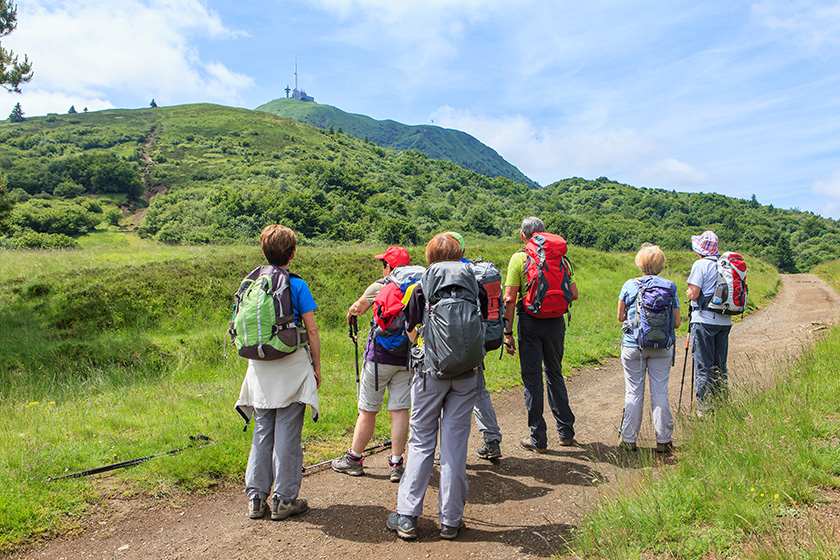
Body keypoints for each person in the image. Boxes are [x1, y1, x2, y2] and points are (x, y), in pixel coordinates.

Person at [386, 233, 487, 541]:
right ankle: (451, 521)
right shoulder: (475, 285)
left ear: (429, 257)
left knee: (420, 441)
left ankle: (407, 517)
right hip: (468, 374)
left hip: (431, 374)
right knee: (455, 446)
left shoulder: (421, 287)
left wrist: (426, 346)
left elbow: (410, 328)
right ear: (460, 255)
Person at [234, 224, 321, 521]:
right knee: (287, 431)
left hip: (258, 366)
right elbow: (311, 328)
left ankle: (256, 499)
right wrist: (317, 367)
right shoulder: (296, 285)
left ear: (263, 251)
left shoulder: (252, 282)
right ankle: (284, 499)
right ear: (292, 254)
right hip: (290, 364)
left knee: (262, 430)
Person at [332, 246, 413, 482]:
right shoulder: (417, 285)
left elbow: (358, 308)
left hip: (379, 357)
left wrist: (351, 314)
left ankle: (354, 459)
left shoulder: (380, 286)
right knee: (399, 410)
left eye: (383, 263)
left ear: (389, 266)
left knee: (368, 410)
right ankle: (396, 464)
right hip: (407, 357)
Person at [503, 216, 578, 452]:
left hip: (529, 322)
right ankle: (566, 431)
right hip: (555, 322)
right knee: (555, 373)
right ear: (545, 233)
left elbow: (508, 299)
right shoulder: (560, 259)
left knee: (532, 378)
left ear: (523, 236)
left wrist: (507, 333)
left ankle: (538, 438)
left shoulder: (519, 258)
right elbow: (573, 294)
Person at [445, 231, 503, 460]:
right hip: (478, 339)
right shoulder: (475, 271)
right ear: (464, 251)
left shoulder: (443, 274)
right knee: (478, 389)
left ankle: (443, 451)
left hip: (449, 344)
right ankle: (491, 440)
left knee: (442, 394)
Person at [617, 244, 680, 453]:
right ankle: (663, 440)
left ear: (640, 262)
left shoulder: (629, 285)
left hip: (633, 346)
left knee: (634, 391)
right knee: (660, 391)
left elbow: (620, 317)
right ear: (661, 265)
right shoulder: (670, 286)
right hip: (662, 346)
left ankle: (628, 439)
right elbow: (677, 322)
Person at [686, 230, 732, 416]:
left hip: (704, 320)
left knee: (703, 365)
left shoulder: (700, 264)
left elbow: (694, 294)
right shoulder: (724, 264)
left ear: (699, 250)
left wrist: (688, 293)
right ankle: (721, 406)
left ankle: (704, 410)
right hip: (725, 320)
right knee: (720, 365)